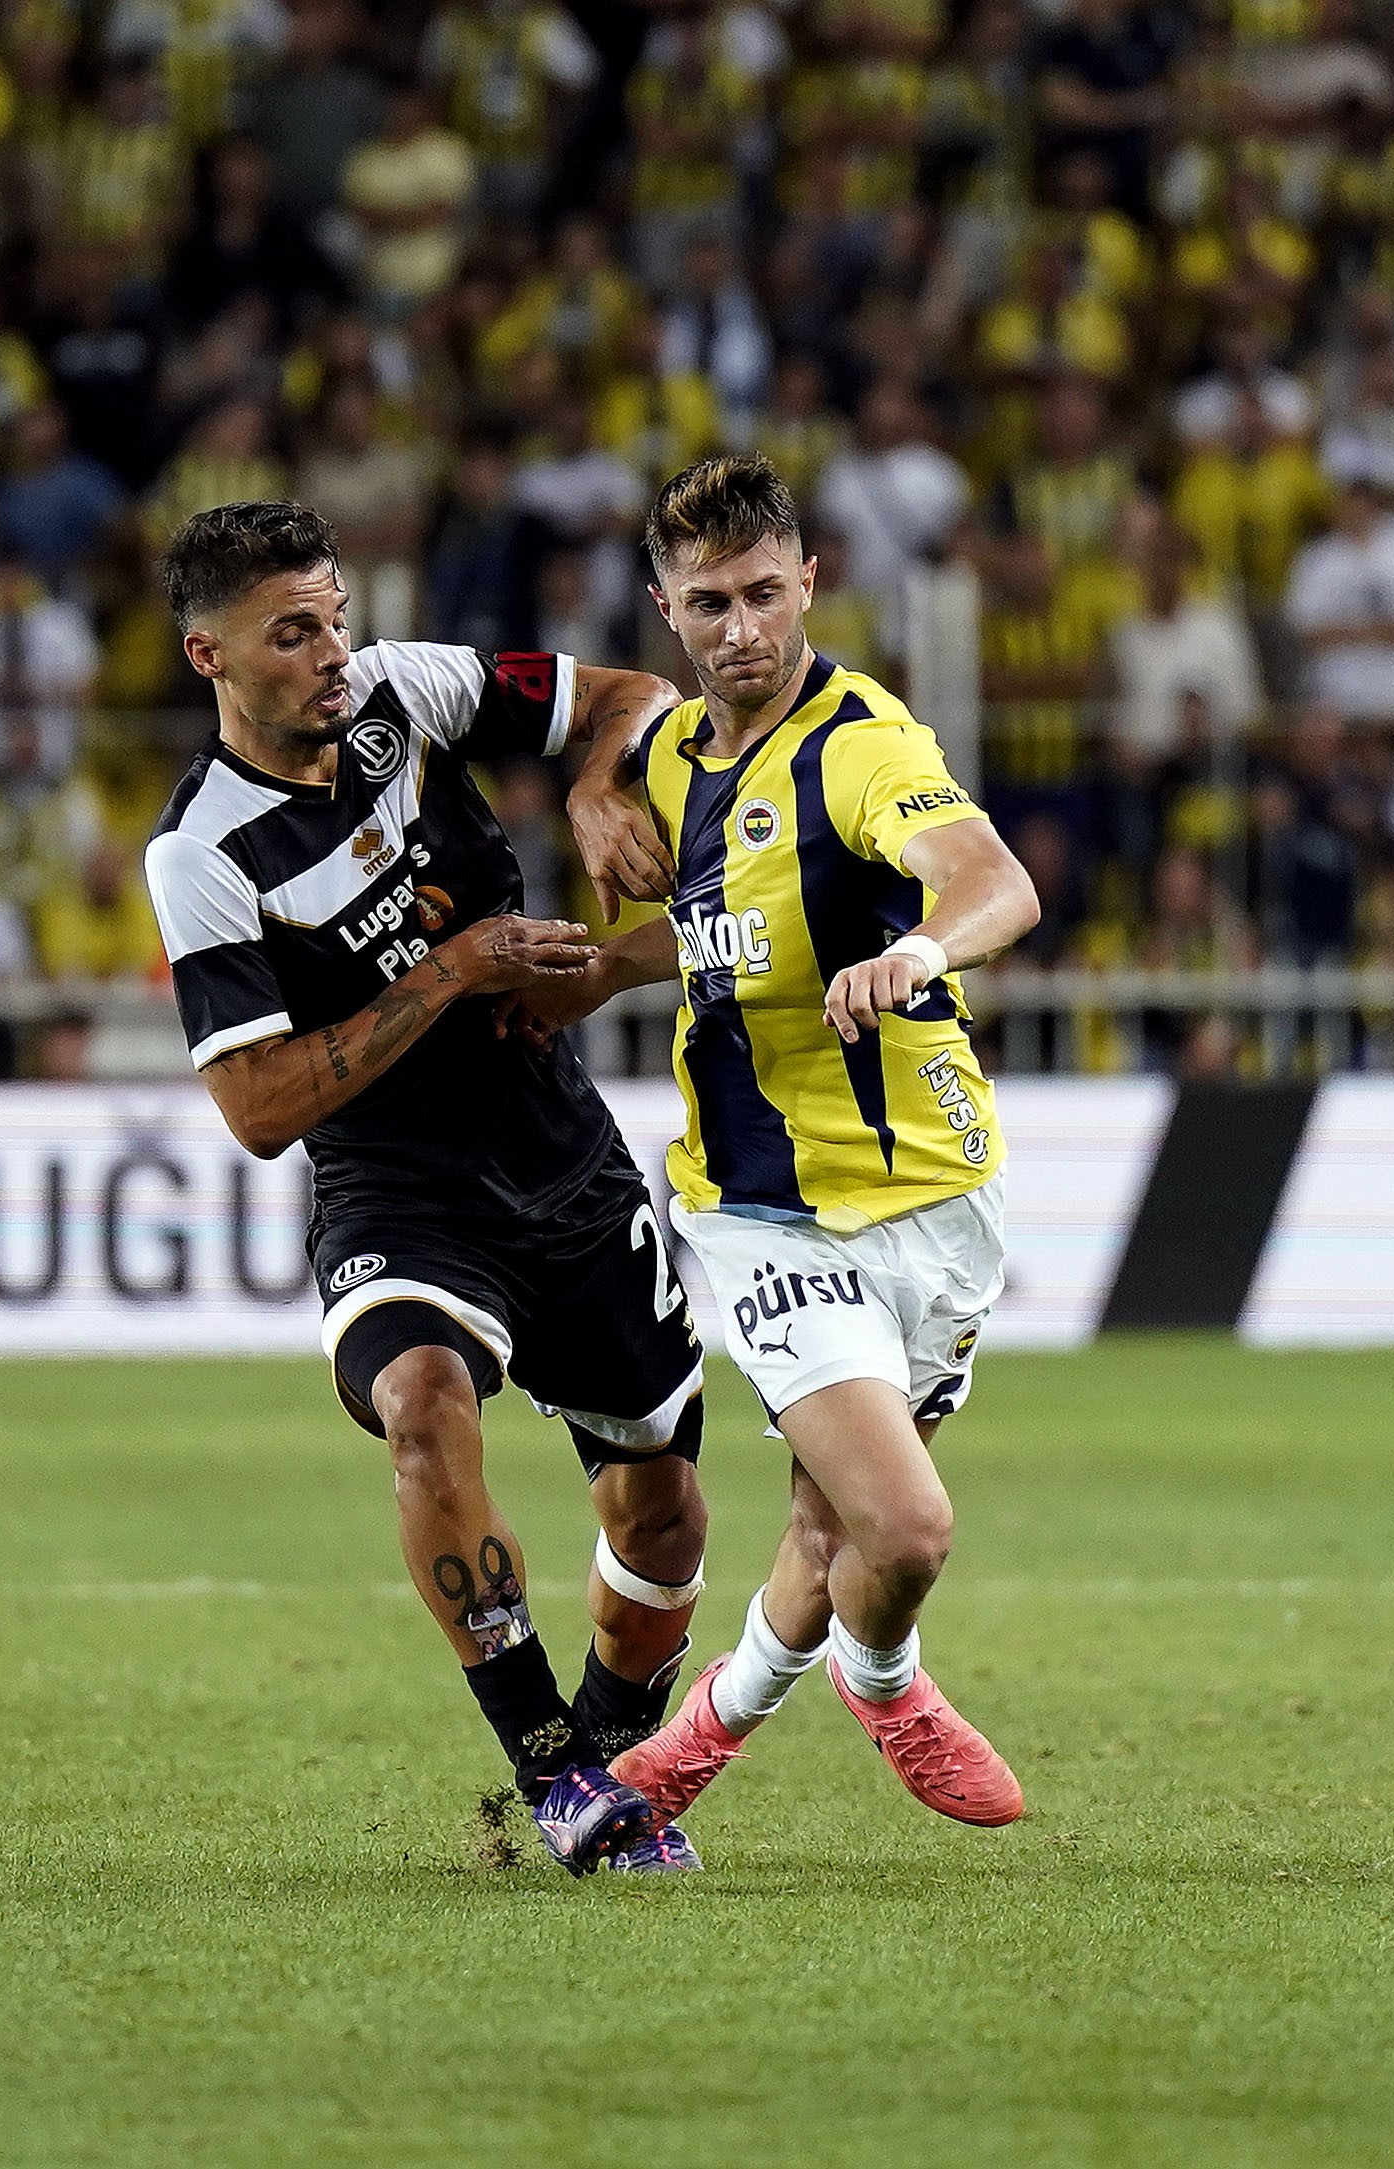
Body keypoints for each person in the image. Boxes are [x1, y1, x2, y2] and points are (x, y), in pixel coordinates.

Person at [144, 501, 712, 1874]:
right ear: (207, 657)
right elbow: (260, 1107)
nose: (332, 653)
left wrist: (594, 780)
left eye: (333, 615)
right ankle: (556, 1775)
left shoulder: (414, 686)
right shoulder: (203, 855)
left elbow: (633, 693)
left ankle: (604, 1759)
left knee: (663, 1521)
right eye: (292, 632)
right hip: (398, 1188)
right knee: (423, 1406)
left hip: (562, 1159)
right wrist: (452, 972)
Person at [558, 454, 1040, 1836]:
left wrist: (918, 947)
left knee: (830, 1534)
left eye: (764, 594)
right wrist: (603, 966)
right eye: (707, 603)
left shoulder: (860, 744)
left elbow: (993, 881)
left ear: (809, 581)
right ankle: (882, 1681)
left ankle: (683, 1753)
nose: (740, 630)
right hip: (761, 1206)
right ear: (665, 607)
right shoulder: (665, 755)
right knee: (903, 1527)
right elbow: (724, 931)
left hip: (936, 1195)